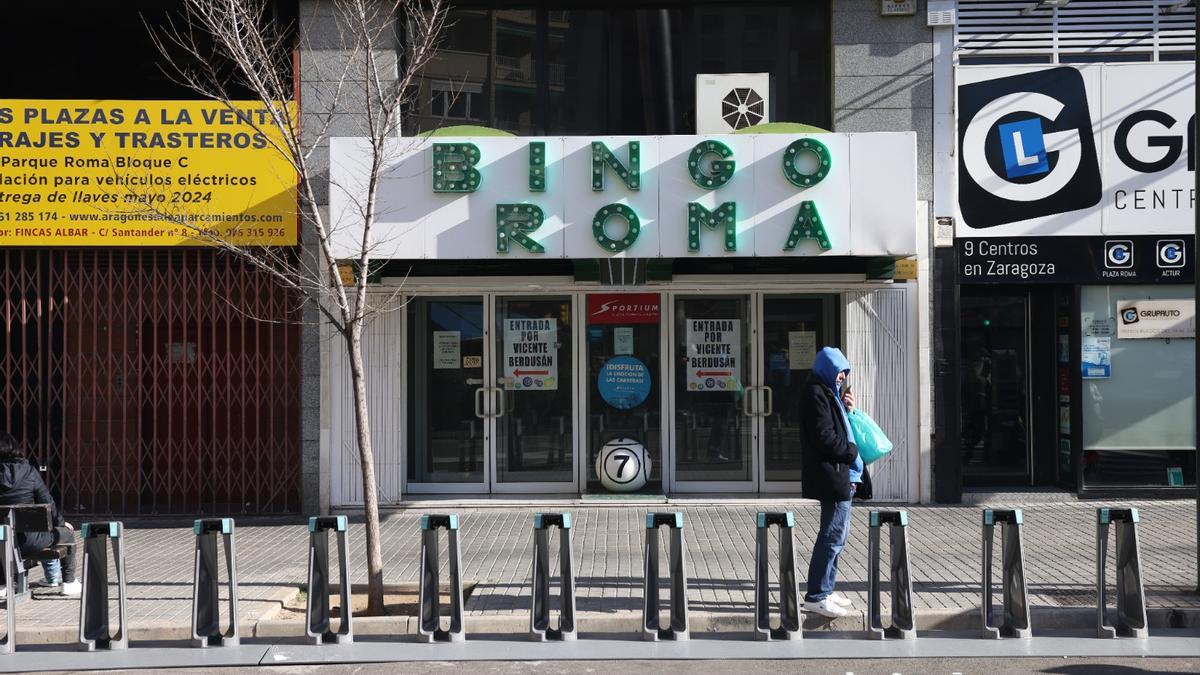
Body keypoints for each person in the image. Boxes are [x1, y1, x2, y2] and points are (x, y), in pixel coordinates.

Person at [799, 347, 871, 618]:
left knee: (837, 537)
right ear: (828, 368)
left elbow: (837, 428)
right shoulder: (816, 393)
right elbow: (824, 436)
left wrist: (847, 407)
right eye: (840, 370)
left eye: (845, 372)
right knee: (831, 537)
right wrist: (851, 452)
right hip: (833, 473)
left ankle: (826, 590)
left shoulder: (828, 392)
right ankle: (817, 595)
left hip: (841, 474)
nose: (843, 376)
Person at [0, 434, 80, 596]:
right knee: (68, 534)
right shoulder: (29, 472)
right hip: (29, 541)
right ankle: (69, 582)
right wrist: (61, 523)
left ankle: (2, 585)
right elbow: (47, 502)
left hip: (1, 541)